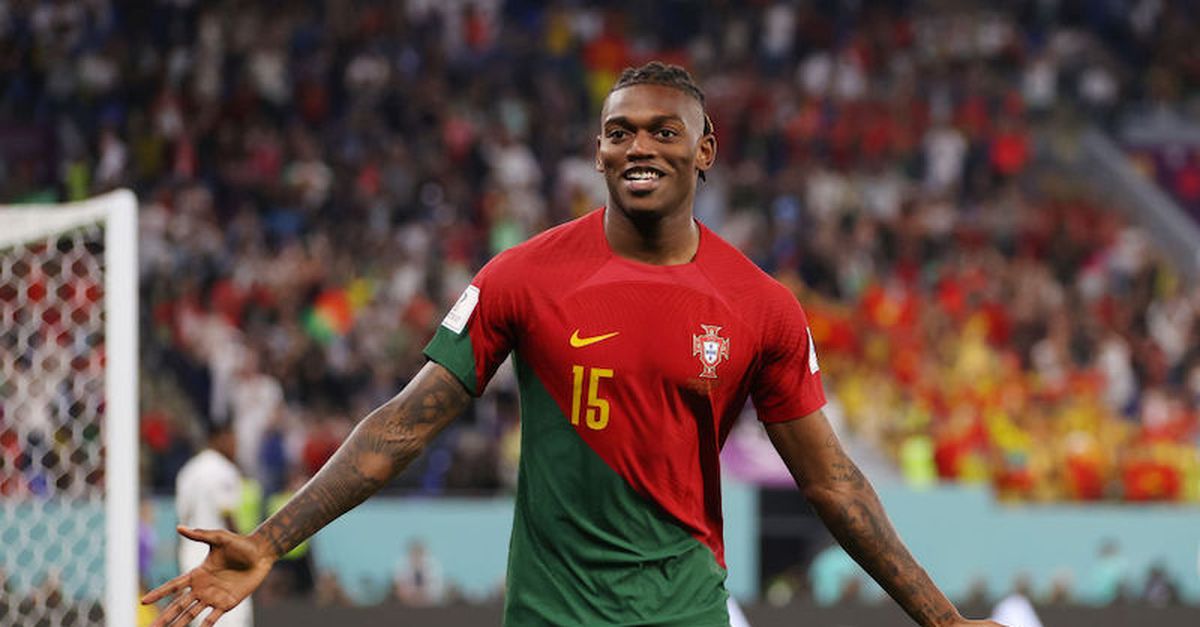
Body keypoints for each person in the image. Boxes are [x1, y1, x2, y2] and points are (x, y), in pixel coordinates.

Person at [143, 62, 1006, 627]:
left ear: (705, 150)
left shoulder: (761, 306)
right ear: (597, 150)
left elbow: (832, 481)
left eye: (663, 130)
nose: (638, 145)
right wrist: (274, 536)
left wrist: (940, 616)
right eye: (619, 130)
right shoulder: (523, 276)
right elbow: (403, 426)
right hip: (552, 614)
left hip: (685, 610)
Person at [172, 421, 253, 626]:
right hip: (220, 555)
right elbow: (227, 514)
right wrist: (245, 548)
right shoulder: (224, 470)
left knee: (199, 615)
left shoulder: (187, 472)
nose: (236, 446)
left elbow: (182, 517)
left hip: (190, 553)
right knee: (231, 616)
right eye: (233, 440)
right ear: (220, 438)